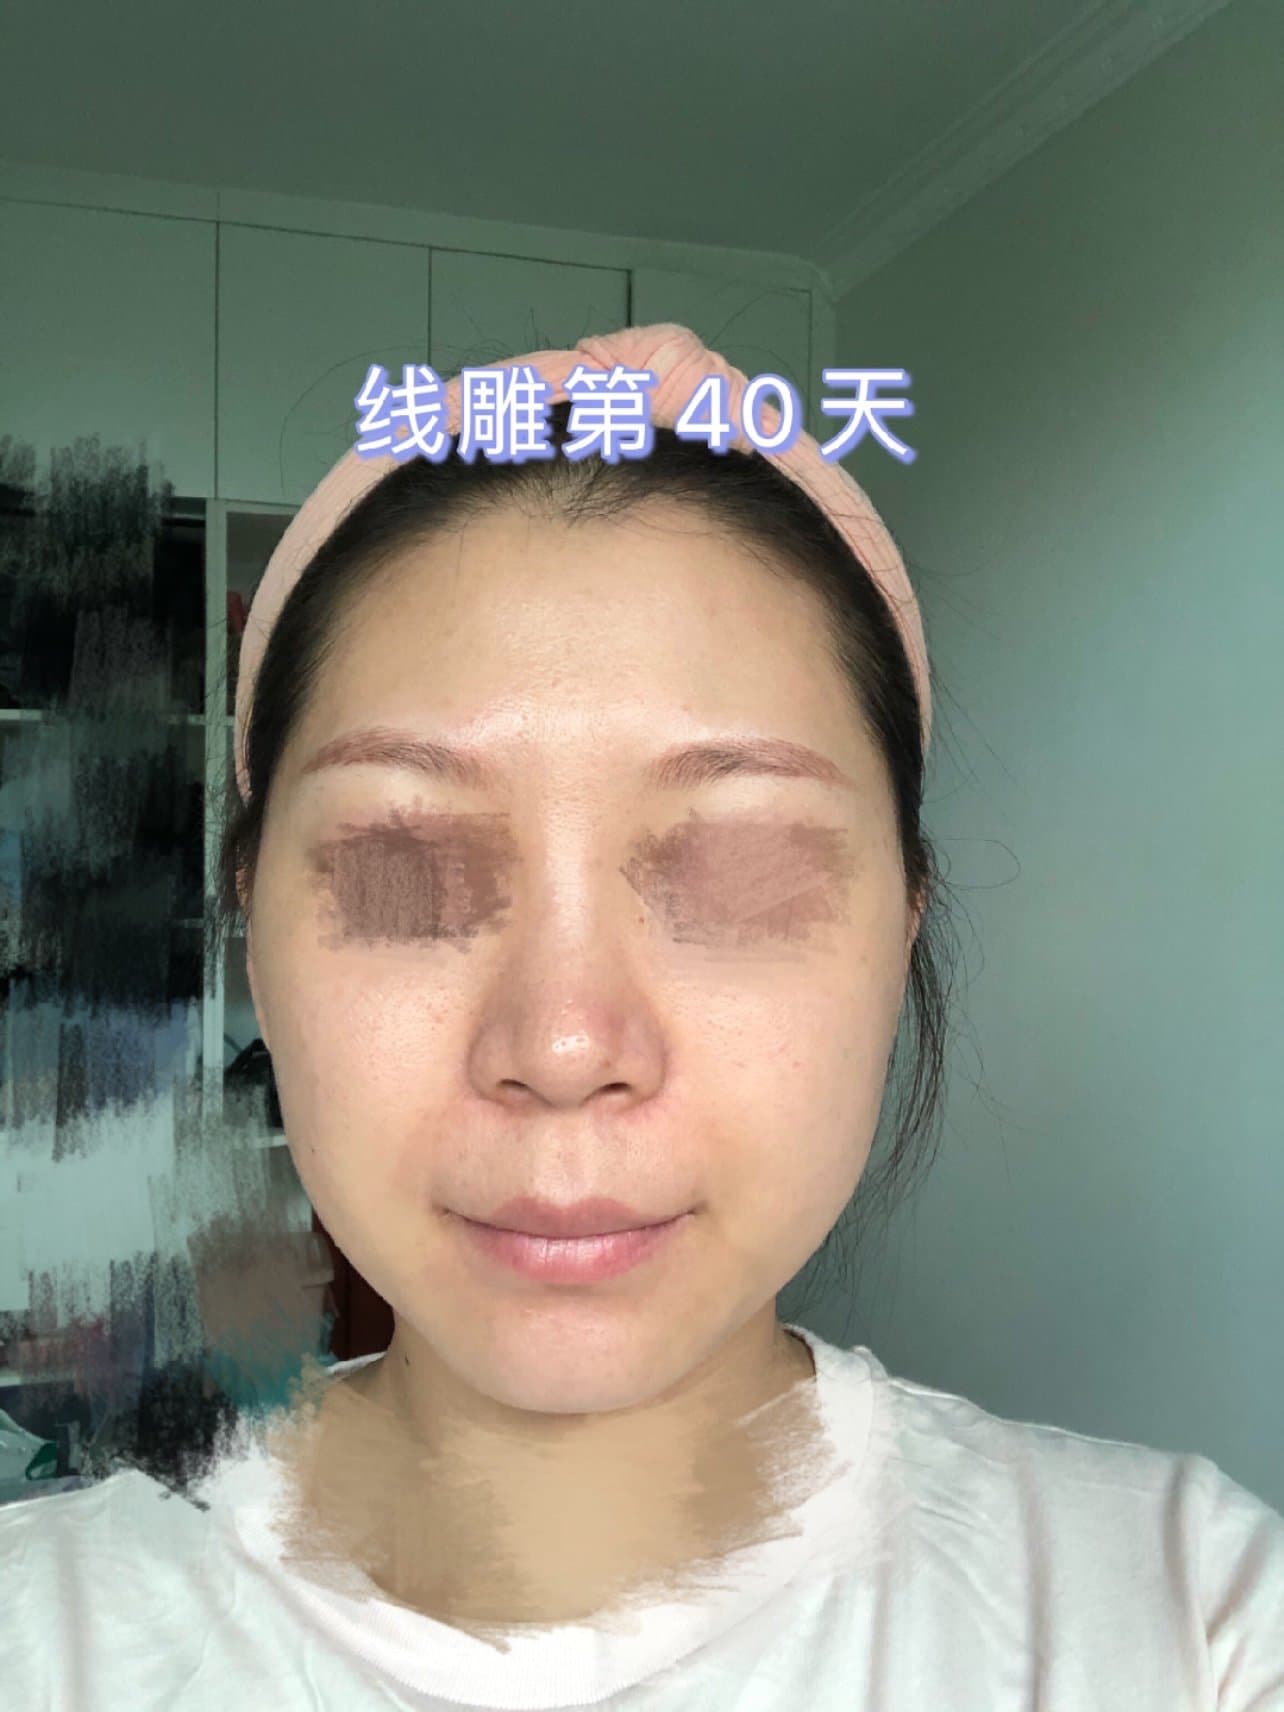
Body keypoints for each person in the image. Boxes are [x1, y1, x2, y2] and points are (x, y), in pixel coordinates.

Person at [2, 324, 1281, 1709]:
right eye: (403, 876)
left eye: (738, 882)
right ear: (253, 929)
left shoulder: (1191, 1623)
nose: (563, 1047)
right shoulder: (43, 1637)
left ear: (904, 923)